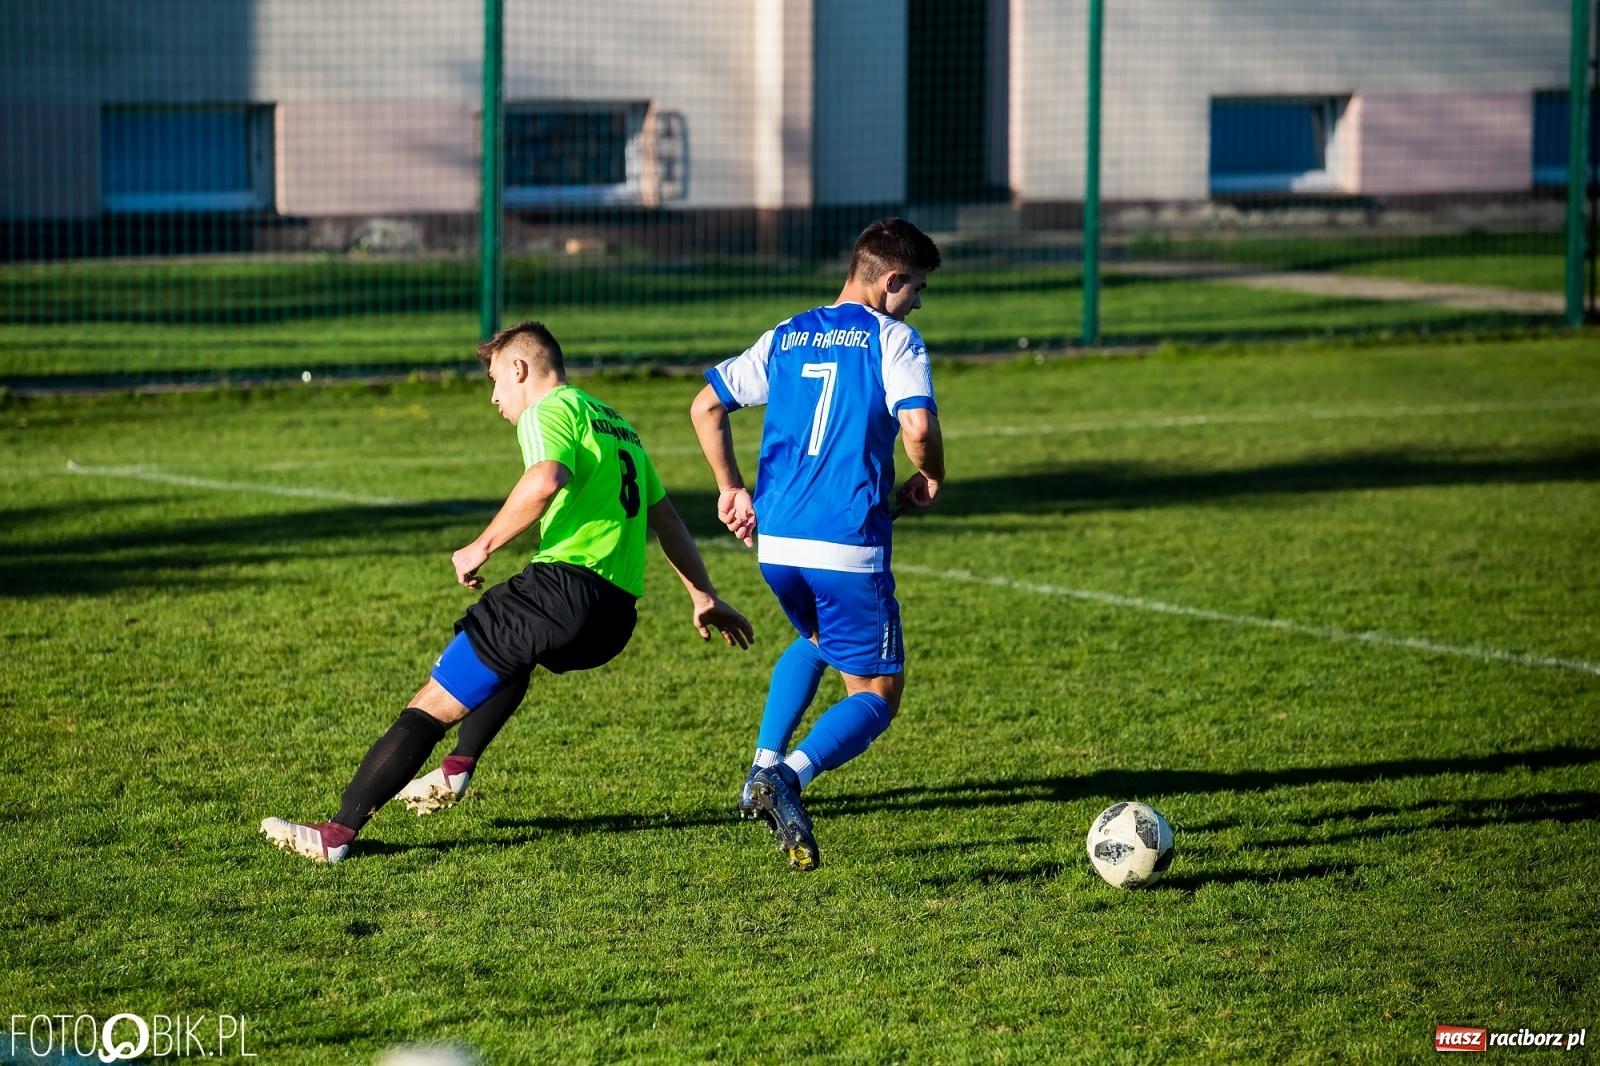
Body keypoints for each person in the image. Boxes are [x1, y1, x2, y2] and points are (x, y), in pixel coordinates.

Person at [262, 320, 753, 863]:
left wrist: (480, 546)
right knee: (512, 656)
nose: (494, 397)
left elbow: (545, 480)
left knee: (431, 702)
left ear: (520, 369)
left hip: (562, 589)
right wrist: (702, 594)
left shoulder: (550, 410)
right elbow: (665, 518)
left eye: (496, 380)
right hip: (614, 616)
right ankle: (455, 771)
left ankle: (336, 834)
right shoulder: (617, 423)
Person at [689, 218, 946, 871]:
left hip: (776, 543)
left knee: (818, 643)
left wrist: (730, 488)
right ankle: (789, 778)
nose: (918, 301)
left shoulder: (787, 334)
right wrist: (932, 473)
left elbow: (705, 407)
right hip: (847, 545)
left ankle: (761, 767)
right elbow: (916, 424)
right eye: (916, 287)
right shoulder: (894, 339)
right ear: (891, 280)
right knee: (876, 692)